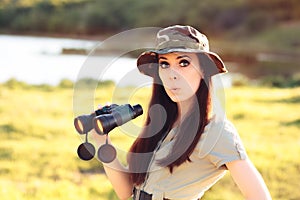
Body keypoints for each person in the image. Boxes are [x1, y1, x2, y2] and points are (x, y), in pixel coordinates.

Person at [93, 25, 272, 200]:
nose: (172, 74)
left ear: (204, 69)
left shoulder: (216, 132)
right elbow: (127, 192)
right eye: (164, 64)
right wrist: (102, 141)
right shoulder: (162, 124)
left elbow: (259, 196)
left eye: (183, 63)